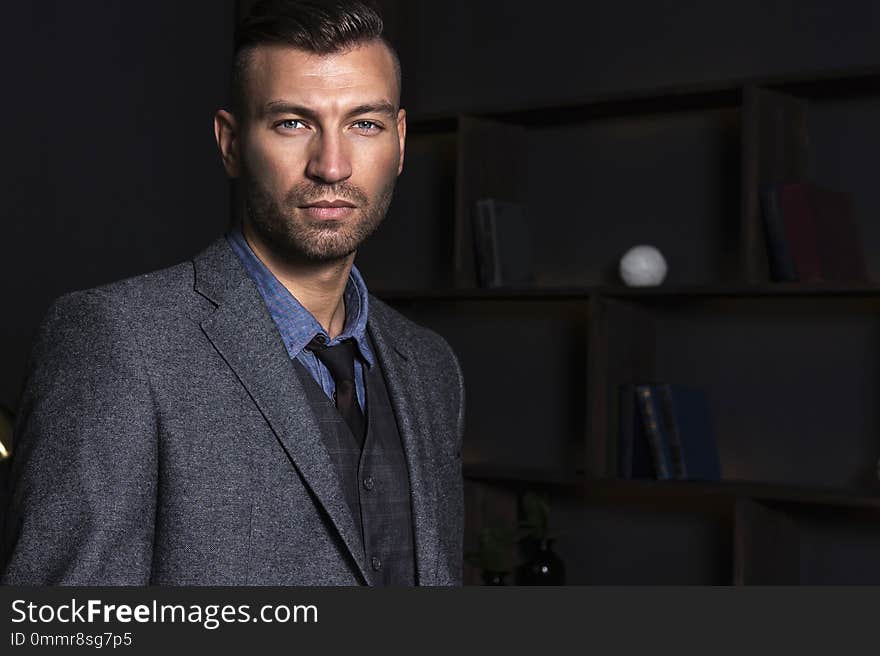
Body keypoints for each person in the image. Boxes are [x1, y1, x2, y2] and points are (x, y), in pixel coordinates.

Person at [1, 0, 465, 586]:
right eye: (293, 123)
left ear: (398, 142)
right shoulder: (117, 340)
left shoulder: (430, 369)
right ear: (229, 142)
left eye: (363, 124)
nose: (332, 164)